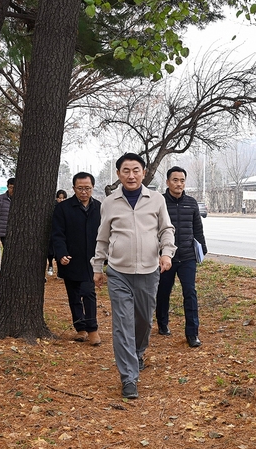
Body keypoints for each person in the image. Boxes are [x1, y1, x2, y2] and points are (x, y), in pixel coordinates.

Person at [91, 153, 176, 399]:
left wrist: (166, 253)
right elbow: (103, 237)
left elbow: (166, 230)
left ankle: (138, 352)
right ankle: (129, 377)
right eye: (126, 170)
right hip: (118, 272)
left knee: (143, 322)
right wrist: (98, 266)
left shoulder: (156, 199)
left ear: (143, 172)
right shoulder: (109, 202)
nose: (131, 175)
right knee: (122, 324)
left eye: (136, 170)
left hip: (149, 272)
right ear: (118, 174)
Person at [155, 166, 208, 348]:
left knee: (190, 293)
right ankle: (162, 323)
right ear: (168, 182)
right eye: (175, 180)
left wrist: (202, 249)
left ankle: (192, 333)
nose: (179, 184)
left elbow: (197, 229)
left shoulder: (191, 203)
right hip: (165, 257)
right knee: (163, 291)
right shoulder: (159, 202)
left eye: (182, 180)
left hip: (187, 257)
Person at [51, 175, 101, 345]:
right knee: (73, 296)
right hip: (70, 259)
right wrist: (61, 254)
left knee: (88, 292)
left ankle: (92, 329)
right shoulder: (63, 208)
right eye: (80, 188)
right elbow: (57, 234)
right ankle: (80, 328)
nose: (84, 192)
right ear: (73, 188)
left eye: (87, 188)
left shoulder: (100, 208)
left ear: (93, 188)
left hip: (91, 260)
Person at [0, 177, 15, 272]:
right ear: (7, 187)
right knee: (8, 253)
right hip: (4, 232)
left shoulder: (22, 199)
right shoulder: (0, 199)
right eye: (10, 187)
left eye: (14, 187)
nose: (12, 190)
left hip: (17, 232)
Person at [47, 189, 68, 276]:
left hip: (64, 233)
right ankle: (50, 265)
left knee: (61, 252)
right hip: (53, 232)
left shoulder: (68, 207)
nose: (61, 200)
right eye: (59, 198)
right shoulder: (53, 207)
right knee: (51, 251)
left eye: (63, 198)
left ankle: (60, 271)